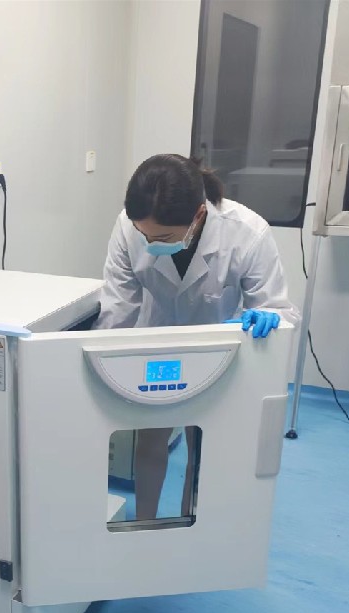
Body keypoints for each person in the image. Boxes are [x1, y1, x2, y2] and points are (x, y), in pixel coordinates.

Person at [95, 153, 300, 522]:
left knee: (201, 446)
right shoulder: (129, 225)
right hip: (157, 340)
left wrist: (267, 318)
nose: (149, 242)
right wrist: (98, 362)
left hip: (217, 351)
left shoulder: (248, 233)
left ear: (198, 216)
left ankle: (192, 527)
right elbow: (118, 305)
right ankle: (145, 524)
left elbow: (276, 308)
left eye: (162, 237)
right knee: (150, 440)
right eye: (144, 234)